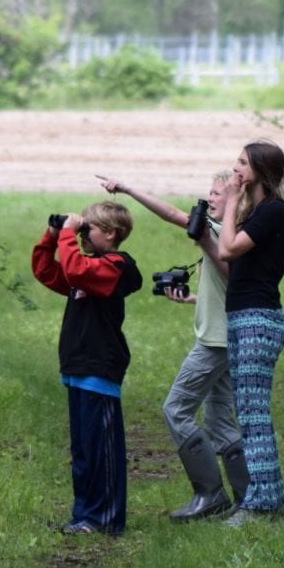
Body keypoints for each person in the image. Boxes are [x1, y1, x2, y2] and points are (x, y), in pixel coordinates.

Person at [99, 172, 250, 522]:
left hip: (216, 342)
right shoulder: (226, 234)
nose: (208, 198)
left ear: (235, 202)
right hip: (228, 337)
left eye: (217, 194)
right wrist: (194, 299)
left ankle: (210, 494)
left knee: (176, 409)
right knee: (218, 421)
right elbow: (229, 291)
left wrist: (129, 188)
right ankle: (247, 498)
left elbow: (228, 270)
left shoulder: (222, 236)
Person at [31, 200, 143, 535]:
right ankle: (84, 516)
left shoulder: (116, 265)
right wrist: (53, 235)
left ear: (111, 233)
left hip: (99, 368)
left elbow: (77, 270)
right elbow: (46, 270)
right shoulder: (86, 267)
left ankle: (105, 518)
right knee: (82, 452)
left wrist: (67, 235)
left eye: (87, 229)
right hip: (78, 368)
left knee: (101, 451)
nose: (81, 234)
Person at [217, 139, 284, 527]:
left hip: (257, 320)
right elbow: (231, 264)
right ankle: (268, 495)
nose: (235, 169)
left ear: (262, 172)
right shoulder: (259, 213)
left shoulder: (273, 212)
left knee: (253, 414)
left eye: (242, 163)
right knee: (247, 411)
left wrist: (231, 202)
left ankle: (261, 503)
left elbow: (228, 250)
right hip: (244, 317)